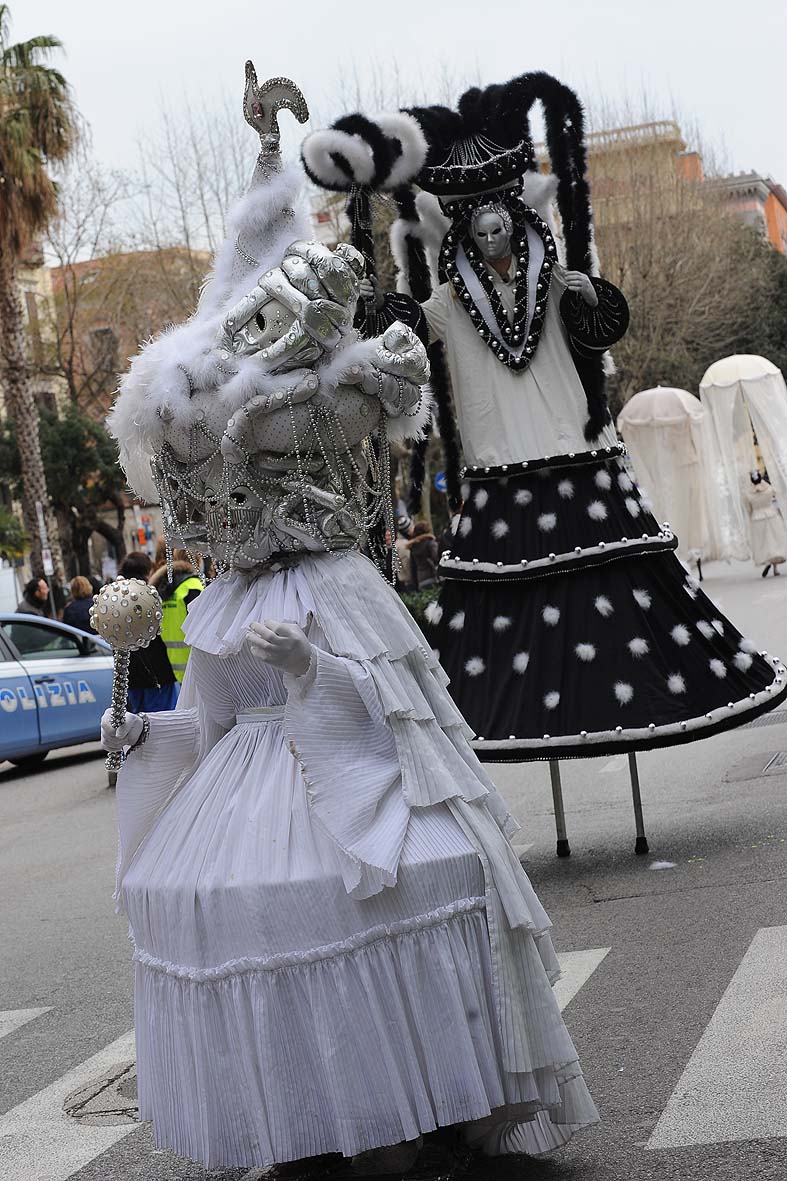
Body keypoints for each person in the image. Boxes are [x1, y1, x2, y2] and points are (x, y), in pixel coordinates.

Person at [101, 68, 598, 1179]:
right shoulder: (228, 596)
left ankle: (420, 1106)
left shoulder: (334, 585)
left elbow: (390, 722)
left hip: (346, 768)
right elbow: (213, 720)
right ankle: (314, 1115)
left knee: (409, 881)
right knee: (243, 908)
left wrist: (318, 667)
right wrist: (147, 736)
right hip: (255, 789)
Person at [305, 72, 787, 766]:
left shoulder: (557, 280)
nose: (493, 235)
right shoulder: (449, 295)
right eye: (479, 226)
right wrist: (365, 274)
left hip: (576, 450)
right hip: (500, 466)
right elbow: (406, 324)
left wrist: (592, 295)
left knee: (622, 610)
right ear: (464, 232)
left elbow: (604, 324)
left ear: (518, 220)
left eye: (501, 223)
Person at [118, 551, 179, 713]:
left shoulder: (113, 596)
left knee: (137, 725)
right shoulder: (150, 593)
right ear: (147, 570)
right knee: (163, 721)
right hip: (157, 670)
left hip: (130, 672)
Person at [149, 549, 202, 682]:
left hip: (176, 666)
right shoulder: (193, 587)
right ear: (198, 561)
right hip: (199, 665)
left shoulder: (166, 589)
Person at [745, 471, 787, 578]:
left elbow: (749, 509)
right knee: (775, 540)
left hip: (757, 518)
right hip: (771, 515)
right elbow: (776, 495)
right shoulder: (769, 489)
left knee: (764, 542)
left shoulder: (749, 494)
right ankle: (775, 567)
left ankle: (768, 562)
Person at [409, 519, 439, 589]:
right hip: (432, 576)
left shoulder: (413, 546)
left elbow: (412, 566)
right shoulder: (430, 543)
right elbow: (436, 558)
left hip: (421, 580)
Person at [393, 513, 415, 592]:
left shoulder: (399, 543)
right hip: (409, 582)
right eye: (412, 527)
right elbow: (407, 563)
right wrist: (413, 579)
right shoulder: (403, 545)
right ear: (408, 530)